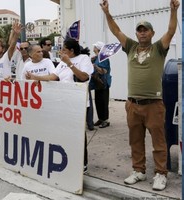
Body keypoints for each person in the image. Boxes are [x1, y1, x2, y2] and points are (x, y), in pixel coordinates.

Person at [100, 0, 180, 191]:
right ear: (137, 33)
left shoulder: (159, 48)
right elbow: (116, 31)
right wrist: (107, 13)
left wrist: (173, 11)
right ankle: (139, 170)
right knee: (135, 140)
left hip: (154, 104)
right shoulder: (131, 47)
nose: (142, 32)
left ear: (152, 33)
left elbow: (170, 31)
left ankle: (161, 174)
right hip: (132, 104)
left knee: (159, 142)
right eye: (139, 30)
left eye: (146, 30)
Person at [25, 38, 94, 174]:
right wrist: (35, 77)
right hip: (63, 102)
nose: (61, 51)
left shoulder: (83, 58)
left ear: (71, 51)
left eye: (64, 49)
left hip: (78, 102)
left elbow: (84, 77)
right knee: (65, 132)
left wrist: (70, 64)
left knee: (78, 133)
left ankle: (82, 163)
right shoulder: (62, 62)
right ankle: (69, 160)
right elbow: (53, 77)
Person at [91, 41, 111, 128]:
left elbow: (104, 71)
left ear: (98, 48)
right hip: (97, 82)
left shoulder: (104, 58)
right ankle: (100, 118)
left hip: (103, 83)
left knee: (103, 101)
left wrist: (95, 66)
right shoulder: (97, 58)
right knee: (98, 101)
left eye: (94, 46)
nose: (93, 48)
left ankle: (105, 120)